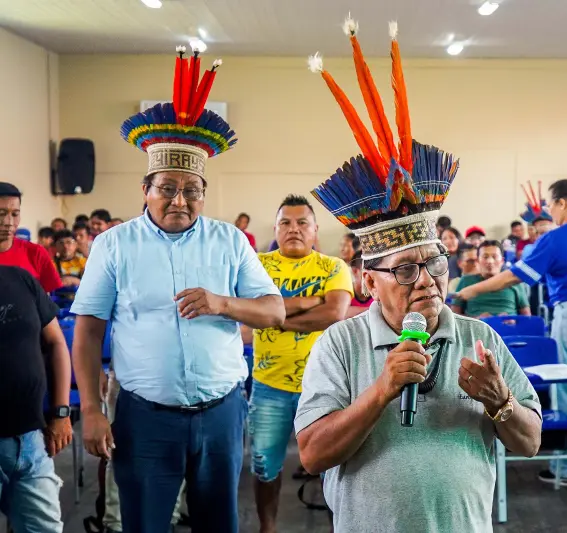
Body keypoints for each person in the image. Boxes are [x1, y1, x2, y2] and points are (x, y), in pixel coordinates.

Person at [299, 21, 542, 533]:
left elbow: (530, 441)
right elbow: (314, 455)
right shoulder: (339, 345)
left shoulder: (480, 339)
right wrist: (382, 389)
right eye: (406, 269)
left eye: (434, 263)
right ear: (370, 282)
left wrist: (501, 403)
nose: (427, 279)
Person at [70, 48, 285, 533]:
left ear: (204, 193)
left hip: (222, 413)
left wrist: (221, 303)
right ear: (145, 188)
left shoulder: (229, 240)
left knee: (218, 523)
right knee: (145, 523)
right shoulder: (114, 245)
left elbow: (274, 313)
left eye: (192, 189)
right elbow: (86, 332)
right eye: (167, 187)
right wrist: (90, 410)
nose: (180, 200)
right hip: (145, 418)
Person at [456, 175, 567, 487]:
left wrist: (470, 291)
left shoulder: (557, 238)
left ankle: (566, 471)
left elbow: (512, 277)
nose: (549, 212)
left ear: (562, 203)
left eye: (551, 205)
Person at [250, 194, 351, 533]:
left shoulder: (334, 267)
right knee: (264, 467)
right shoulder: (256, 265)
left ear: (315, 230)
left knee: (334, 469)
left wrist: (273, 315)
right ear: (276, 228)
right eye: (285, 222)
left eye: (302, 222)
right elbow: (250, 311)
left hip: (325, 387)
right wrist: (313, 299)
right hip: (269, 385)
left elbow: (334, 314)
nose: (293, 229)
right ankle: (268, 528)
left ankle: (339, 527)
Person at [0, 266, 73, 532]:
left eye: (11, 218)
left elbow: (55, 343)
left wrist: (61, 413)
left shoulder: (20, 279)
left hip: (30, 439)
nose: (7, 222)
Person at [0, 182, 62, 292]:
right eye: (1, 213)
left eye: (15, 214)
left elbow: (54, 300)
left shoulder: (36, 253)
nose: (9, 222)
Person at [452, 240, 530, 318]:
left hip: (509, 328)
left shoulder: (514, 281)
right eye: (485, 257)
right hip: (475, 328)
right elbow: (454, 315)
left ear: (502, 261)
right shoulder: (466, 281)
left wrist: (514, 322)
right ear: (478, 261)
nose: (490, 261)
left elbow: (527, 317)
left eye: (494, 257)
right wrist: (476, 320)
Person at [347, 251, 373, 318]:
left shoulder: (378, 290)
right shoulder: (346, 292)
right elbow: (341, 313)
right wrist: (374, 311)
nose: (372, 273)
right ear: (355, 271)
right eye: (368, 269)